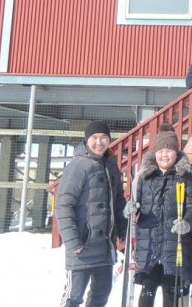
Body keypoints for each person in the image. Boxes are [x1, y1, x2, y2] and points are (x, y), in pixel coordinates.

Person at [57, 120, 127, 307]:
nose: (99, 142)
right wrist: (72, 241)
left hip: (104, 247)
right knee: (73, 297)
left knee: (100, 296)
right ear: (86, 140)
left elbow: (118, 202)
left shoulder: (111, 166)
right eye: (94, 137)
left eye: (103, 137)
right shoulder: (78, 166)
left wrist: (123, 230)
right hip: (82, 246)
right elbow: (63, 205)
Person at [129, 124, 192, 307]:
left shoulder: (185, 177)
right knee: (147, 292)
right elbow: (136, 203)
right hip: (149, 244)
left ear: (176, 152)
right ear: (155, 153)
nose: (164, 155)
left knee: (171, 294)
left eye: (169, 150)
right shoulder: (145, 177)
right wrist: (131, 209)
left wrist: (187, 222)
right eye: (160, 150)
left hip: (174, 243)